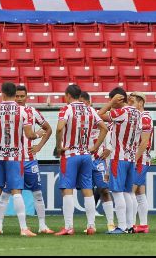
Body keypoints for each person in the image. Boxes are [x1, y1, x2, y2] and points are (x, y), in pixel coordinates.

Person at [0, 85, 54, 234]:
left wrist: (39, 146)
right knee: (6, 193)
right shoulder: (4, 112)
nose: (20, 99)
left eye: (22, 96)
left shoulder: (32, 112)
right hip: (12, 159)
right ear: (12, 96)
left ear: (27, 96)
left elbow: (48, 128)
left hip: (29, 159)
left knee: (37, 192)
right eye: (17, 96)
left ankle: (42, 226)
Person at [0, 82, 37, 237]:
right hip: (15, 157)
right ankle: (23, 228)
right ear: (15, 94)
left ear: (2, 93)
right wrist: (37, 134)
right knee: (16, 191)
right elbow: (29, 135)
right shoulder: (22, 111)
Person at [55, 85, 108, 236]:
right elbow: (104, 128)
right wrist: (95, 147)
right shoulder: (89, 109)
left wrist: (59, 146)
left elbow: (59, 128)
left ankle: (69, 227)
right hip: (86, 155)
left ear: (67, 95)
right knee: (88, 190)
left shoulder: (66, 109)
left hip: (70, 154)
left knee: (67, 189)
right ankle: (91, 226)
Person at [98, 87, 146, 235]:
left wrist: (109, 103)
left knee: (117, 192)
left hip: (118, 157)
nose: (112, 104)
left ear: (119, 99)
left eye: (113, 101)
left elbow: (99, 115)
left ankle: (122, 226)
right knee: (128, 193)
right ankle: (130, 225)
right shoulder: (138, 113)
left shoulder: (121, 112)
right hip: (131, 158)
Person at [81, 92, 116, 232]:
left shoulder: (97, 116)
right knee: (87, 191)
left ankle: (111, 223)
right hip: (83, 160)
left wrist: (109, 147)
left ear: (89, 103)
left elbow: (111, 131)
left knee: (104, 190)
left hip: (99, 159)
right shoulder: (75, 118)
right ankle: (91, 225)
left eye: (84, 102)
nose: (82, 105)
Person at [131, 93, 153, 234]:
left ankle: (131, 223)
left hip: (140, 160)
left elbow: (144, 142)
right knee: (140, 192)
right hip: (141, 159)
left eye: (132, 101)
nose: (130, 104)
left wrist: (134, 159)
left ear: (140, 102)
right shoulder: (140, 117)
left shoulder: (144, 117)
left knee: (130, 191)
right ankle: (143, 225)